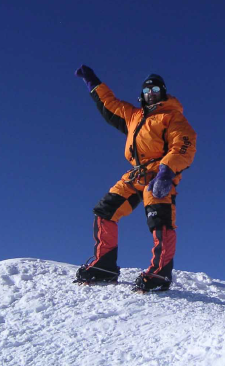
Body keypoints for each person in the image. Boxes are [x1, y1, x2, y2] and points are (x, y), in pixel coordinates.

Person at [74, 65, 197, 292]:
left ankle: (160, 273)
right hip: (136, 173)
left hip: (159, 174)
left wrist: (166, 173)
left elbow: (184, 145)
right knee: (105, 210)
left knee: (159, 220)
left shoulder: (172, 117)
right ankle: (104, 266)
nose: (152, 95)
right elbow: (109, 104)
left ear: (164, 92)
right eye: (147, 91)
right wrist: (92, 82)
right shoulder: (134, 116)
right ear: (142, 95)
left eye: (156, 90)